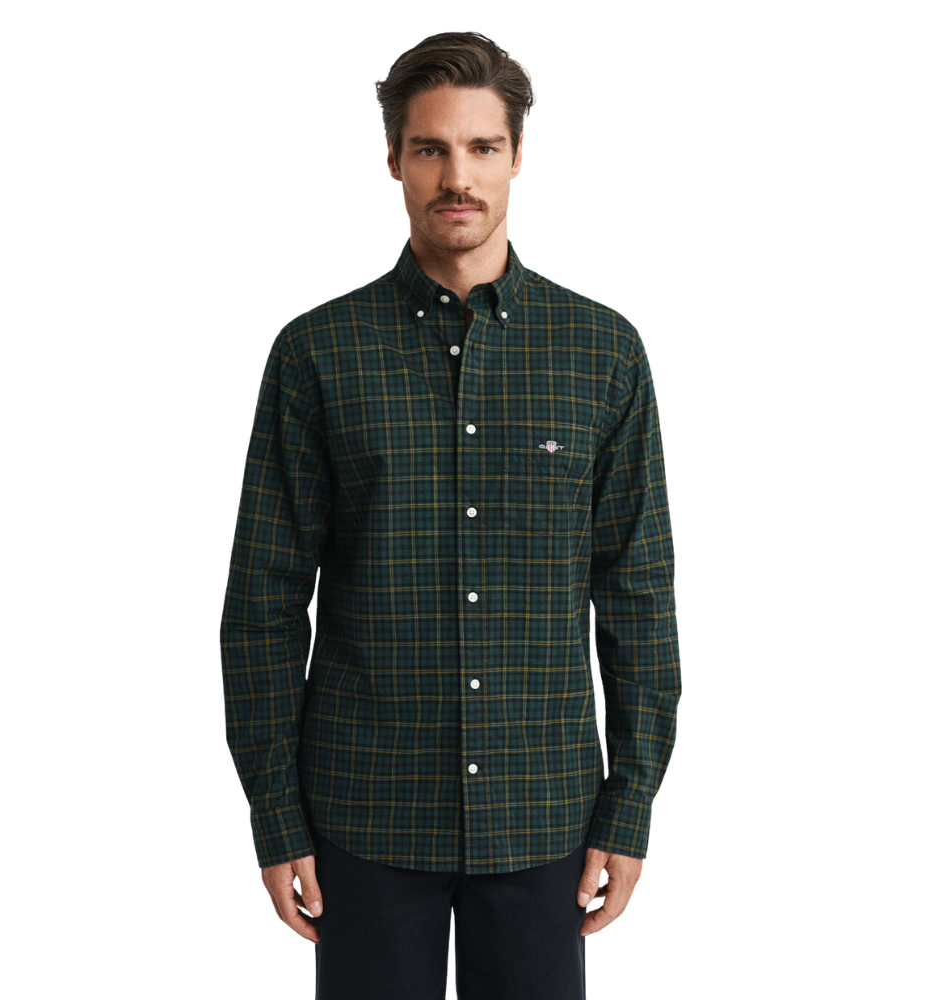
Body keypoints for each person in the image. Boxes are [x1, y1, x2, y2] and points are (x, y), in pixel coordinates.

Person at [219, 30, 681, 1000]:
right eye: (430, 148)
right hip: (363, 815)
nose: (456, 176)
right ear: (393, 158)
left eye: (480, 147)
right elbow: (263, 605)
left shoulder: (602, 354)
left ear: (517, 155)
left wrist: (631, 801)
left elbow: (637, 596)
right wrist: (275, 812)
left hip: (545, 816)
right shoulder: (317, 355)